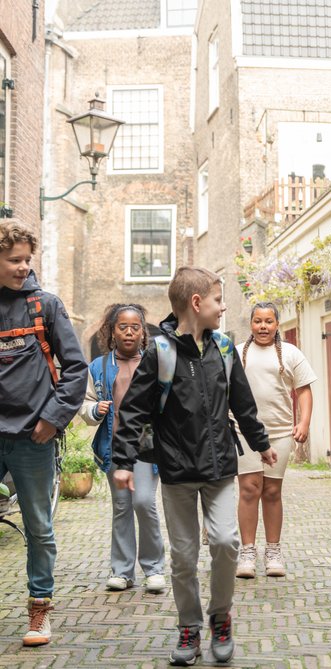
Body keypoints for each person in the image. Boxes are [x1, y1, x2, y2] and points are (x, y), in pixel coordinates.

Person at [110, 266, 277, 666]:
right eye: (218, 300)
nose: (223, 307)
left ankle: (221, 616)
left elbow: (243, 403)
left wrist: (261, 444)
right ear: (197, 303)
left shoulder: (223, 348)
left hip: (220, 467)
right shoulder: (160, 352)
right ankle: (189, 625)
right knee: (184, 556)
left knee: (224, 542)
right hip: (178, 472)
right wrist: (123, 462)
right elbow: (133, 410)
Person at [0, 221, 88, 646]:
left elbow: (75, 369)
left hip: (31, 437)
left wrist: (52, 418)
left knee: (38, 527)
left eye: (27, 260)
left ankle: (39, 610)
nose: (22, 267)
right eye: (13, 260)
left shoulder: (45, 306)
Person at [79, 303, 166, 594]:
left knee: (144, 502)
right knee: (121, 507)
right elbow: (85, 403)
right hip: (114, 447)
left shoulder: (154, 364)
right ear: (112, 332)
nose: (129, 332)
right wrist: (95, 409)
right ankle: (122, 571)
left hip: (146, 448)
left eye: (135, 327)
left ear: (143, 334)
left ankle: (154, 569)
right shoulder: (99, 367)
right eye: (122, 327)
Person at [235, 302, 316, 579]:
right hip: (243, 432)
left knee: (271, 491)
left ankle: (273, 551)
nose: (263, 327)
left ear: (277, 324)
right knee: (249, 488)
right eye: (258, 321)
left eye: (268, 321)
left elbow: (304, 390)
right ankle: (247, 552)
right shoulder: (237, 354)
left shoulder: (291, 353)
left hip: (280, 432)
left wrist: (303, 422)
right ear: (251, 324)